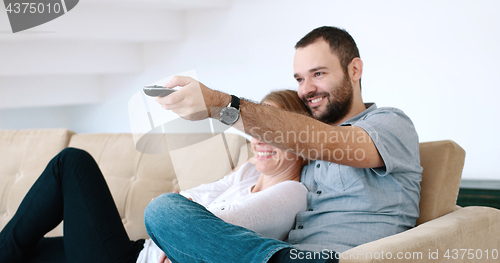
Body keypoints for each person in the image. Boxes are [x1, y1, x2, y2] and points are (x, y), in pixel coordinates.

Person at [147, 26, 422, 263]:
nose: (306, 90)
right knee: (166, 210)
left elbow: (329, 142)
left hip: (335, 258)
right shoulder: (301, 151)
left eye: (318, 74)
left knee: (162, 211)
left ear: (354, 69)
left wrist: (220, 105)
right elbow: (257, 169)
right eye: (300, 79)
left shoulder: (390, 124)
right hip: (285, 253)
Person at [0, 90, 311, 263]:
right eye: (258, 130)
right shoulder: (247, 172)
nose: (259, 140)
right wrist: (174, 212)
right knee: (29, 251)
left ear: (302, 142)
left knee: (71, 163)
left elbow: (215, 228)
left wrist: (176, 214)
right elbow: (189, 201)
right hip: (140, 250)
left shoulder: (292, 193)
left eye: (275, 133)